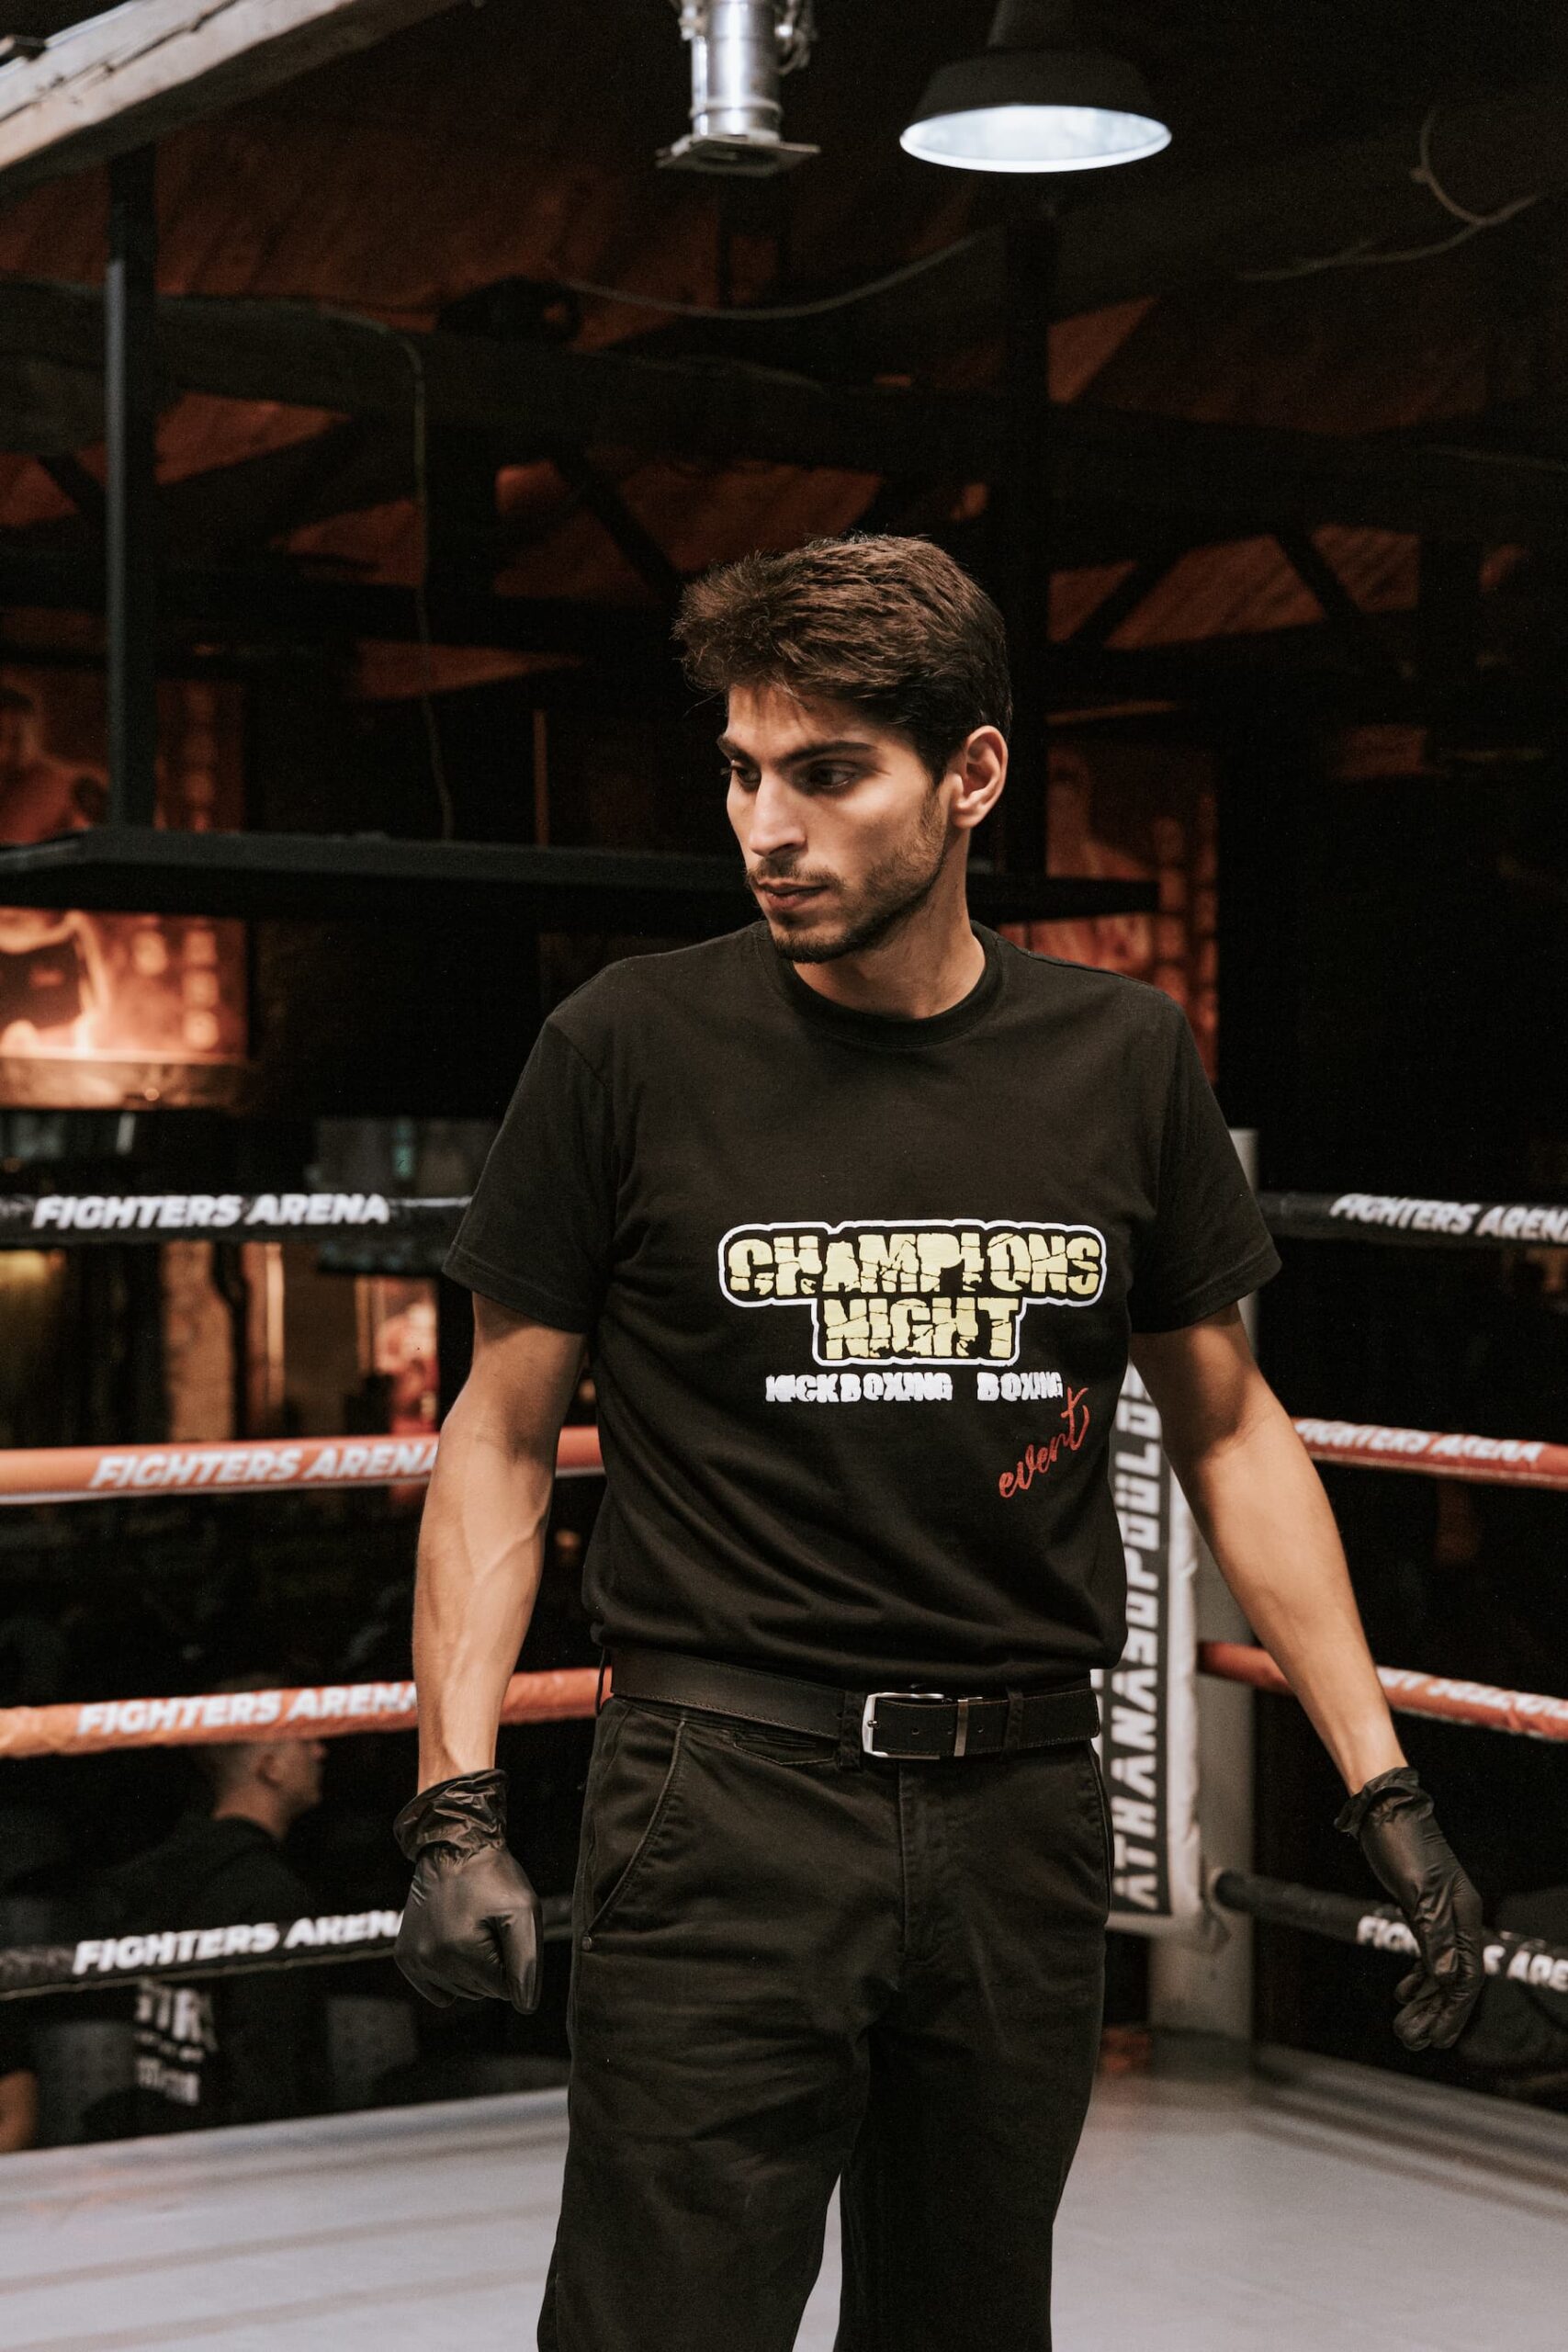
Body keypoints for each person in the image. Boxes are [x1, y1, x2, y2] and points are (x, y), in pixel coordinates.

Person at [392, 534, 1484, 2351]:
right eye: (742, 771)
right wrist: (451, 1803)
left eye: (827, 773)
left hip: (1020, 1806)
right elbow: (498, 1439)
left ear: (971, 774)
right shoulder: (626, 1044)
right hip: (724, 1791)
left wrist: (1384, 1789)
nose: (766, 827)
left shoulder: (1118, 1054)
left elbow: (1228, 1430)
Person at [92, 1688, 328, 2135]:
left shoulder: (166, 1872)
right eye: (305, 1739)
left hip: (168, 2139)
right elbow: (269, 2070)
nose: (321, 1750)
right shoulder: (267, 1893)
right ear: (270, 1767)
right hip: (244, 2156)